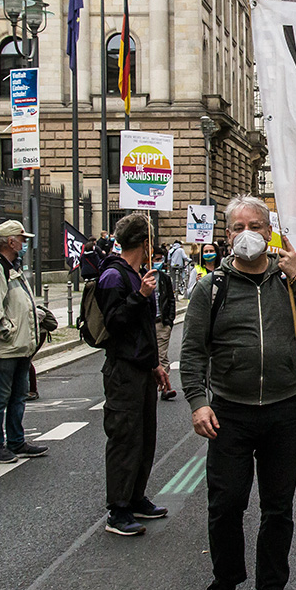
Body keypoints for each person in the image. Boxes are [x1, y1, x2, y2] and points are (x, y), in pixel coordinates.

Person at [180, 195, 296, 590]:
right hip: (231, 413)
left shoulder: (290, 279)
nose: (246, 233)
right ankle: (224, 585)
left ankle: (273, 589)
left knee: (278, 507)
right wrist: (197, 402)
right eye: (237, 227)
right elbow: (192, 352)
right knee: (226, 504)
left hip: (284, 410)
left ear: (269, 231)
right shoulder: (212, 288)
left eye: (255, 225)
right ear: (227, 236)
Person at [96, 213, 172, 536]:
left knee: (144, 437)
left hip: (141, 367)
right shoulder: (114, 275)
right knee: (125, 437)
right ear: (145, 242)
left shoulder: (137, 274)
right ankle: (118, 509)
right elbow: (114, 324)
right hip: (122, 369)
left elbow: (145, 328)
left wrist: (155, 363)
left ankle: (136, 496)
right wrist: (139, 295)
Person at [0, 220, 47, 464]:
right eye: (22, 239)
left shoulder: (12, 266)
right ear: (11, 241)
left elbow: (17, 303)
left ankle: (16, 442)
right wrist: (7, 331)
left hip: (18, 345)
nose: (25, 243)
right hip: (4, 347)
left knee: (18, 396)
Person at [151, 247, 178, 400]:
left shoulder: (164, 278)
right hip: (146, 324)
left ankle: (165, 388)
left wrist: (169, 320)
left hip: (161, 322)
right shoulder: (141, 276)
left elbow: (171, 298)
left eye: (161, 260)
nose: (158, 263)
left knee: (161, 356)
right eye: (156, 260)